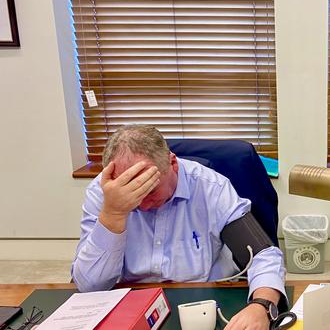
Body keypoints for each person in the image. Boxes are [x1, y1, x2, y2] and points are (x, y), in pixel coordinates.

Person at [71, 125, 286, 330]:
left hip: (203, 302)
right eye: (133, 197)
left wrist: (262, 306)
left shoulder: (211, 187)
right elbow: (90, 287)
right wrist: (114, 213)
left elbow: (263, 254)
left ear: (172, 164)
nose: (142, 205)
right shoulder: (104, 194)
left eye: (150, 191)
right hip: (131, 303)